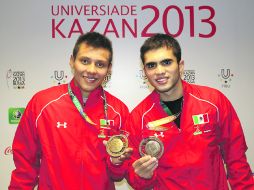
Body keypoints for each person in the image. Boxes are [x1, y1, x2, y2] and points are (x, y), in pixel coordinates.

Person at [126, 33, 254, 189]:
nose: (159, 71)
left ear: (180, 66)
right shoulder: (138, 117)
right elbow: (135, 179)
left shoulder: (214, 101)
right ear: (145, 71)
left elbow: (237, 162)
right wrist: (142, 176)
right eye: (151, 65)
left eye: (166, 62)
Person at [9, 32, 132, 190]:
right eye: (85, 61)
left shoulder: (118, 111)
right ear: (72, 61)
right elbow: (25, 167)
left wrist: (117, 163)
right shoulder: (42, 103)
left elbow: (118, 174)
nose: (92, 70)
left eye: (100, 64)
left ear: (109, 68)